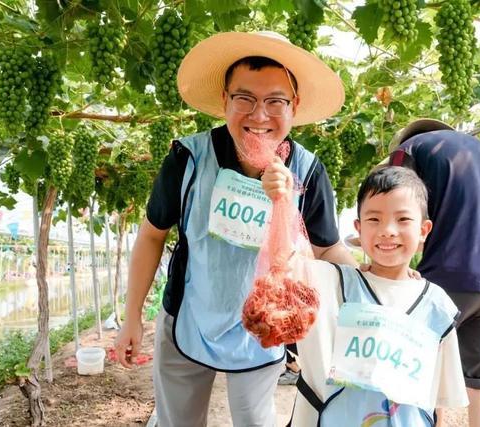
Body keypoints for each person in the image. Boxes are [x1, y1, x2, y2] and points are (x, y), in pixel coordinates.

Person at [114, 31, 358, 427]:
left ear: (294, 106)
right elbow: (151, 235)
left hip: (263, 327)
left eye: (275, 101)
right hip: (189, 318)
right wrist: (131, 318)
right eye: (244, 99)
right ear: (225, 101)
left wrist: (380, 285)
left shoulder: (308, 171)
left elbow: (329, 249)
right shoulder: (188, 158)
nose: (259, 115)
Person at [261, 162, 469, 426]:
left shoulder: (437, 306)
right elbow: (285, 260)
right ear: (359, 228)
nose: (388, 230)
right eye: (374, 219)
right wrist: (283, 204)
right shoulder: (331, 282)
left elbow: (439, 397)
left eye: (403, 219)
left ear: (423, 230)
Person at [386, 118, 480, 427]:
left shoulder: (408, 150)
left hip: (446, 280)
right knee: (478, 386)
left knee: (414, 377)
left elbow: (393, 204)